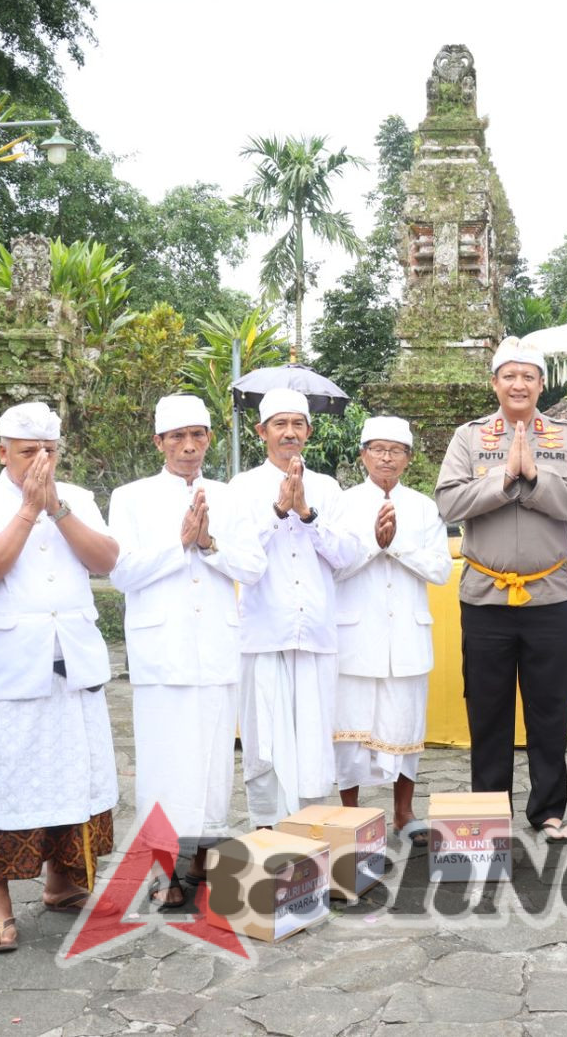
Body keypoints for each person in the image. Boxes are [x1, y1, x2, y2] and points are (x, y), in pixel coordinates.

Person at [0, 402, 121, 952]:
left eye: (49, 450)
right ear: (2, 453)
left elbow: (106, 561)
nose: (40, 460)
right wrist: (28, 509)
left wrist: (57, 507)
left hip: (71, 661)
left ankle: (63, 881)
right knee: (2, 780)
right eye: (28, 452)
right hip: (4, 666)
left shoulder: (78, 498)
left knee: (73, 774)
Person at [435, 335, 567, 843]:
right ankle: (490, 812)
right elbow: (448, 502)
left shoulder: (566, 438)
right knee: (488, 710)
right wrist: (505, 477)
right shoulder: (469, 438)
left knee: (549, 709)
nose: (518, 384)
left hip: (549, 595)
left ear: (541, 384)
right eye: (509, 375)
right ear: (495, 383)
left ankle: (548, 811)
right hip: (485, 596)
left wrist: (536, 480)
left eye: (528, 376)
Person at [108, 394, 266, 908]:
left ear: (209, 440)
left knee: (215, 764)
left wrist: (209, 544)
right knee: (164, 765)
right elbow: (121, 572)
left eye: (198, 435)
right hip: (162, 649)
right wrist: (178, 544)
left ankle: (203, 860)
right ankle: (163, 869)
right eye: (177, 436)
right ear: (159, 442)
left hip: (216, 647)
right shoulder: (130, 498)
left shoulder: (230, 496)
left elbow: (254, 567)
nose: (189, 446)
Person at [227, 387, 360, 827]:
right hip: (263, 632)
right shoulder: (242, 488)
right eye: (279, 424)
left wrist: (306, 513)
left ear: (309, 431)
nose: (289, 433)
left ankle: (310, 828)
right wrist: (278, 511)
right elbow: (239, 558)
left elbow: (347, 556)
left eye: (297, 424)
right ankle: (267, 828)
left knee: (313, 740)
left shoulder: (328, 488)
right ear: (261, 431)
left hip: (316, 632)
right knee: (263, 737)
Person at [331, 416, 451, 846]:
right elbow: (332, 567)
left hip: (406, 637)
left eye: (395, 450)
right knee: (349, 730)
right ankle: (351, 816)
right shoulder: (341, 504)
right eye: (378, 449)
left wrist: (395, 545)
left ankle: (404, 812)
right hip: (355, 635)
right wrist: (373, 545)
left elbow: (440, 569)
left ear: (408, 458)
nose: (386, 458)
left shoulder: (422, 507)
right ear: (363, 455)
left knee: (405, 724)